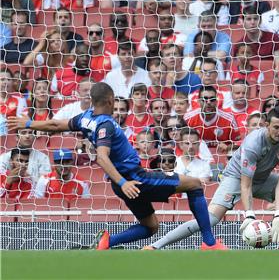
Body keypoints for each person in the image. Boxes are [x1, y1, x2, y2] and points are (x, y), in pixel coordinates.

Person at [8, 82, 225, 250]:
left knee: (151, 227)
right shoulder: (106, 125)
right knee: (195, 184)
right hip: (134, 178)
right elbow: (102, 157)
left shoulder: (85, 118)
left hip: (121, 182)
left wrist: (28, 123)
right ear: (111, 100)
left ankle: (107, 242)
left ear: (92, 101)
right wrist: (123, 182)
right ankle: (209, 243)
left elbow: (56, 124)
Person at [146, 107, 279, 250]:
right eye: (276, 127)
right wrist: (249, 215)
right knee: (210, 219)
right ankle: (156, 246)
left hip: (263, 179)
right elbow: (245, 184)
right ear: (266, 125)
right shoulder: (253, 143)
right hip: (236, 178)